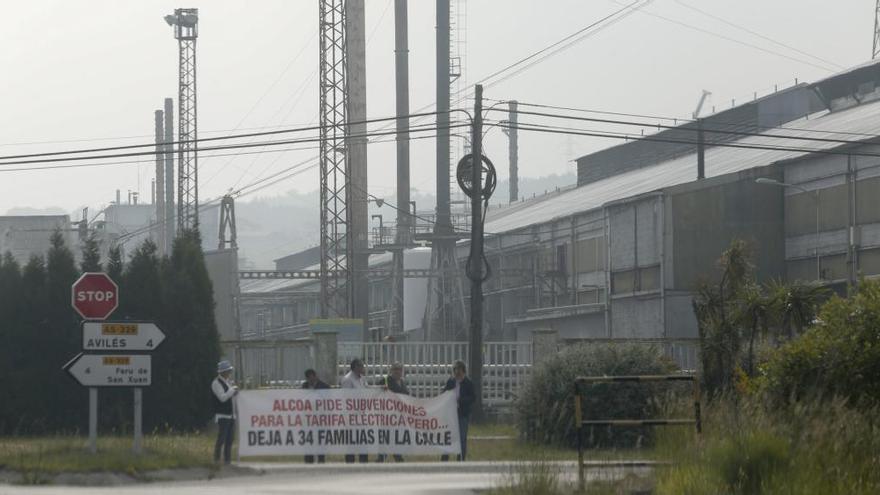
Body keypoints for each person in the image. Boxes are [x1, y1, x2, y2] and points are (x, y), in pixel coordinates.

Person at [441, 360, 475, 461]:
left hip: (463, 414)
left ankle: (460, 460)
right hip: (451, 415)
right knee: (448, 438)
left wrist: (461, 400)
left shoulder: (468, 383)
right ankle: (444, 460)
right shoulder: (451, 381)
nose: (457, 372)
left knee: (461, 439)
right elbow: (445, 392)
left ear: (463, 371)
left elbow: (473, 397)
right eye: (455, 370)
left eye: (459, 370)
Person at [377, 362, 408, 463]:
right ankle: (381, 457)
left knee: (396, 436)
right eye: (395, 369)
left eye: (399, 369)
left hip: (399, 415)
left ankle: (397, 455)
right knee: (385, 436)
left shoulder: (402, 382)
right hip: (387, 415)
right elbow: (376, 391)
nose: (397, 371)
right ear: (391, 371)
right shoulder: (386, 380)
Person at [341, 358, 369, 463]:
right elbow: (346, 398)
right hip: (351, 417)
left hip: (361, 416)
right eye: (361, 365)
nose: (363, 367)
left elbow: (368, 391)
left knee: (363, 442)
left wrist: (380, 388)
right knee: (351, 444)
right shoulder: (347, 379)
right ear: (356, 367)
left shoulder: (362, 379)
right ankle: (350, 465)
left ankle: (364, 464)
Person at [212, 360, 239, 464]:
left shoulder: (228, 382)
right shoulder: (216, 383)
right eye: (228, 371)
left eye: (230, 371)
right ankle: (216, 460)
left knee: (229, 440)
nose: (229, 373)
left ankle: (227, 461)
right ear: (222, 372)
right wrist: (232, 390)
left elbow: (230, 397)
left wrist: (233, 391)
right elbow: (222, 398)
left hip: (231, 415)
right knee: (221, 439)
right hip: (222, 415)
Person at [302, 369, 329, 464]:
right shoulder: (304, 386)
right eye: (308, 378)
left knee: (320, 442)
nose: (310, 380)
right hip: (308, 420)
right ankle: (308, 461)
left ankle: (321, 461)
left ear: (315, 376)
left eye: (311, 377)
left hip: (320, 420)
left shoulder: (324, 387)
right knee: (308, 441)